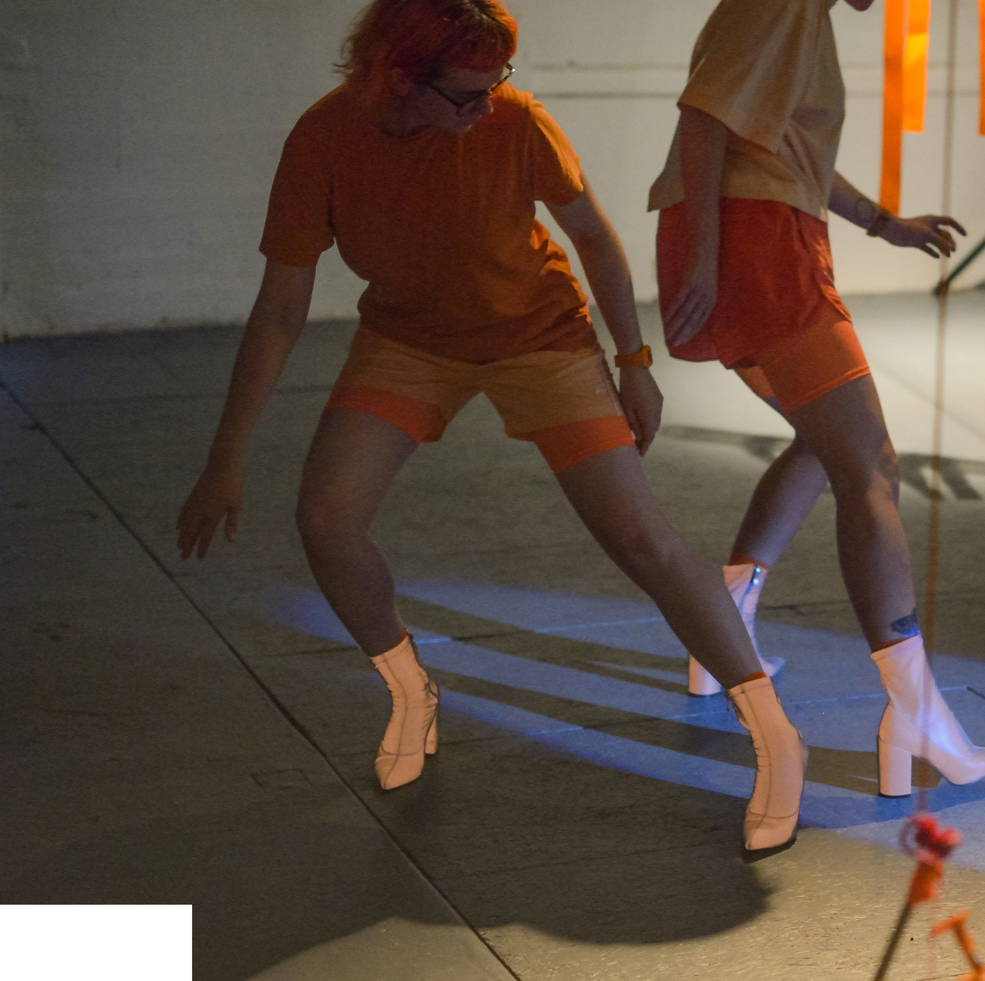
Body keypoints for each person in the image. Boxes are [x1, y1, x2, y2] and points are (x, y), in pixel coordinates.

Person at [176, 0, 806, 850]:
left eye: (494, 86)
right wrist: (225, 459)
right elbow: (281, 309)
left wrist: (634, 361)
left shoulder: (514, 120)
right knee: (325, 520)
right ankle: (410, 691)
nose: (485, 108)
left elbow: (593, 236)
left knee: (641, 537)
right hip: (409, 340)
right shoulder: (322, 141)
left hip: (538, 339)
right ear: (397, 77)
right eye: (465, 95)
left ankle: (773, 733)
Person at [651, 0, 985, 797]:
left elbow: (775, 143)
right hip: (759, 243)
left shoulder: (796, 13)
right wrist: (708, 260)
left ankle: (725, 626)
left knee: (825, 439)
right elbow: (703, 121)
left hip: (759, 233)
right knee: (870, 466)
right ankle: (915, 715)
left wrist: (879, 221)